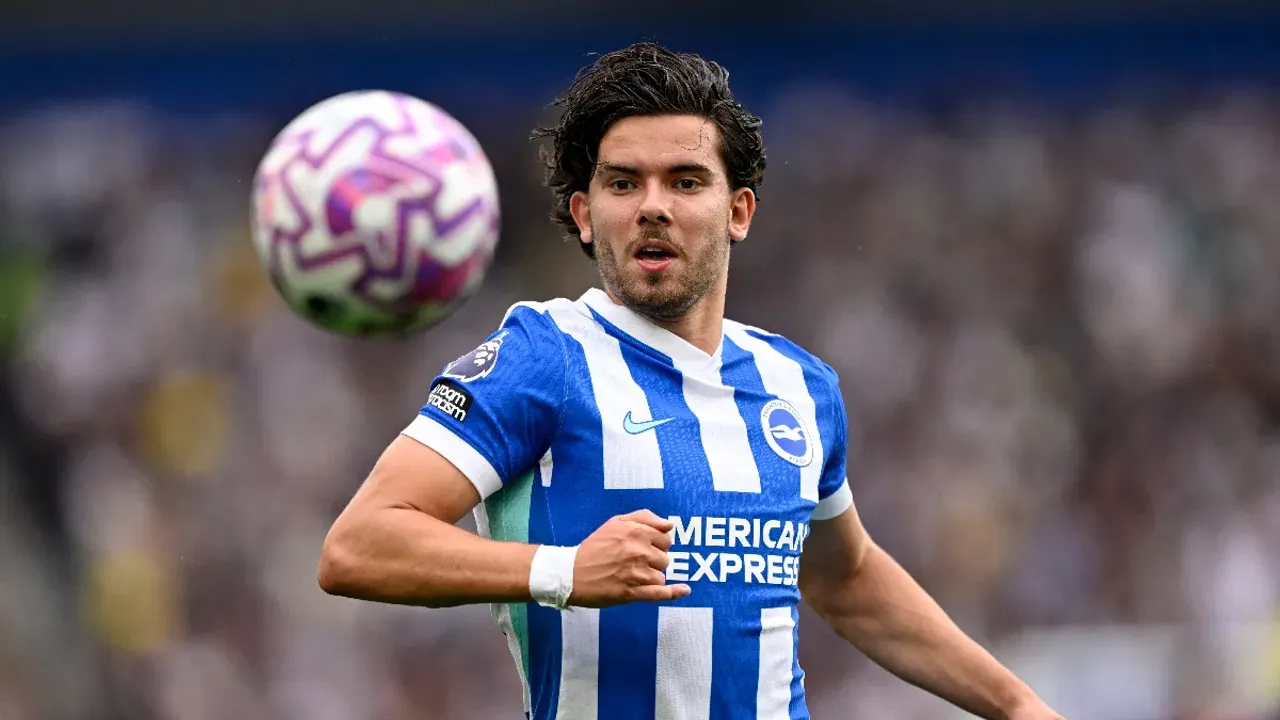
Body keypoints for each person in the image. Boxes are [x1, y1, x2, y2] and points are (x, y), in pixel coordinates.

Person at [318, 42, 1065, 720]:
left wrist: (1017, 704)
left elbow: (846, 578)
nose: (653, 206)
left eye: (685, 181)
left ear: (737, 210)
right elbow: (359, 546)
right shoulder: (543, 356)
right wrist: (563, 570)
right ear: (584, 214)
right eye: (622, 183)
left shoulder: (799, 385)